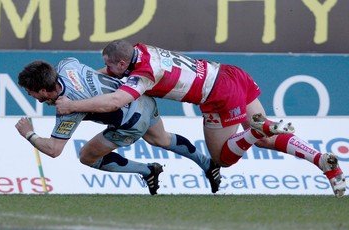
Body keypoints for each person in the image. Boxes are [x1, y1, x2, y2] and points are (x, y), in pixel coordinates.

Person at [55, 40, 346, 197]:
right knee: (270, 139)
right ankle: (323, 162)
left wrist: (72, 105)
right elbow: (111, 74)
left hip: (218, 95)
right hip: (231, 73)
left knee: (222, 158)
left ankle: (257, 130)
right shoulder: (140, 50)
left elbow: (116, 100)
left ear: (122, 62)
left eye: (109, 66)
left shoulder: (142, 74)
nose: (105, 70)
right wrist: (92, 76)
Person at [15, 57, 219, 195]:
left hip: (131, 123)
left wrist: (28, 134)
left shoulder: (68, 109)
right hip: (139, 96)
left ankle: (147, 171)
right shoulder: (67, 64)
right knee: (161, 139)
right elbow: (90, 77)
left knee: (87, 156)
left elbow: (54, 150)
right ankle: (207, 163)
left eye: (30, 92)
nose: (30, 95)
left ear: (43, 91)